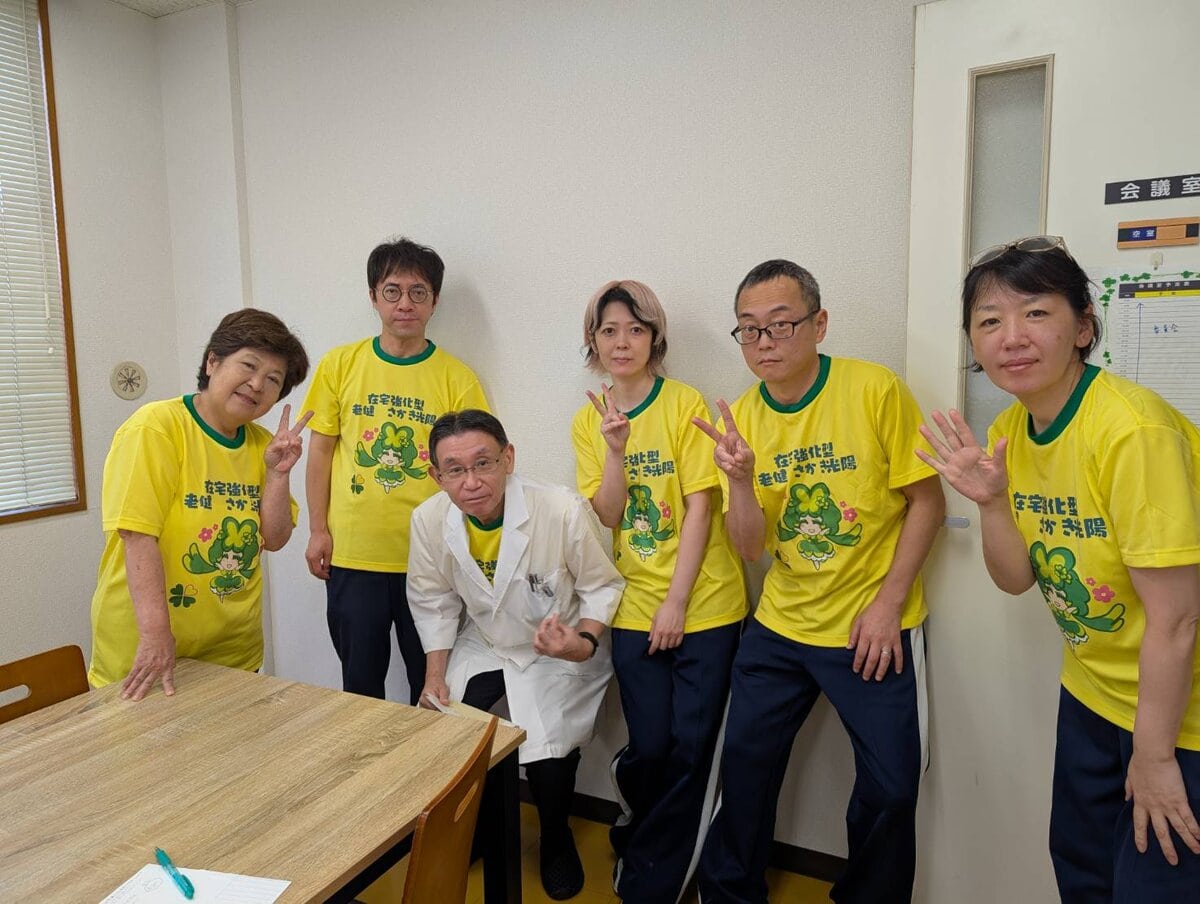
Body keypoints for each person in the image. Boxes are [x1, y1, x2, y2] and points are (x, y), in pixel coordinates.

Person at [917, 235, 1200, 900]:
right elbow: (1017, 578)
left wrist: (1155, 756)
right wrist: (991, 502)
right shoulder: (1010, 434)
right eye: (990, 320)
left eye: (1036, 312)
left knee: (1156, 887)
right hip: (1095, 693)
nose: (1011, 337)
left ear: (1083, 328)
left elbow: (1178, 619)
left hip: (1181, 713)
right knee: (1082, 873)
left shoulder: (1131, 431)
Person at [694, 260, 945, 904]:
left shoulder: (874, 389)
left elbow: (927, 502)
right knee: (744, 767)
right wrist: (740, 481)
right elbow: (749, 548)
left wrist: (889, 604)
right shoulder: (740, 418)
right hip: (781, 624)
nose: (764, 342)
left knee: (892, 789)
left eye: (780, 325)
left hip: (871, 624)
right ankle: (729, 894)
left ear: (819, 324)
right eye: (749, 329)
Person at [569, 280, 746, 901]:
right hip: (633, 604)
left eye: (636, 330)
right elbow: (610, 515)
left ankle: (652, 874)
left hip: (706, 604)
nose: (622, 342)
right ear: (593, 341)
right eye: (609, 331)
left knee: (692, 749)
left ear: (654, 338)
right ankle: (642, 829)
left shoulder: (683, 403)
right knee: (650, 746)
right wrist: (615, 451)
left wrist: (676, 602)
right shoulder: (588, 421)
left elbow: (701, 507)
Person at [407, 409, 623, 900]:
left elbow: (601, 586)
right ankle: (478, 828)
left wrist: (581, 642)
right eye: (455, 470)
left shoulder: (561, 509)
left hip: (560, 646)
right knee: (452, 724)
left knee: (548, 749)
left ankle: (556, 837)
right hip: (487, 641)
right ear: (436, 476)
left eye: (483, 463)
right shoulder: (429, 520)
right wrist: (434, 676)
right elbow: (433, 601)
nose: (472, 482)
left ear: (508, 458)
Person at [301, 237, 488, 702]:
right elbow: (320, 452)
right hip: (353, 554)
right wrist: (318, 529)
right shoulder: (340, 365)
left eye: (418, 292)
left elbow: (475, 467)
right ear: (373, 297)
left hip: (430, 558)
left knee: (431, 688)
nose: (405, 303)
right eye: (393, 291)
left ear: (434, 301)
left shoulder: (457, 377)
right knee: (359, 685)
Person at [89, 308, 311, 699]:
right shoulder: (156, 427)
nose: (257, 385)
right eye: (249, 366)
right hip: (148, 651)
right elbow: (137, 536)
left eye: (273, 380)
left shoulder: (263, 445)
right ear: (212, 362)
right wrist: (156, 636)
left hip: (235, 653)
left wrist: (278, 475)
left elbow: (275, 539)